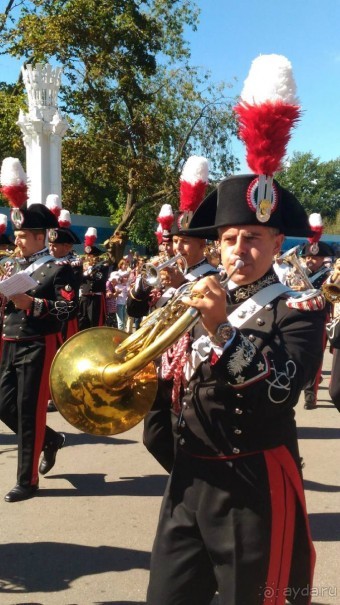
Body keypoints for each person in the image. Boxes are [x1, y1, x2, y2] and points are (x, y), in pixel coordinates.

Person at [146, 171, 327, 605]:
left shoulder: (299, 306)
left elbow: (279, 389)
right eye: (229, 239)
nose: (239, 250)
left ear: (277, 243)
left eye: (253, 238)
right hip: (189, 478)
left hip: (253, 486)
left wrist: (222, 330)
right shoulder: (197, 296)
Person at [0, 203, 78, 502]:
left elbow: (68, 308)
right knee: (4, 405)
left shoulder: (60, 268)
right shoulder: (15, 266)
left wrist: (32, 304)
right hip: (10, 341)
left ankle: (27, 481)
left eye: (21, 236)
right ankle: (52, 439)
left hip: (37, 344)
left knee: (30, 412)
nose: (16, 241)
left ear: (38, 237)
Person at [299, 237, 334, 409]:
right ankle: (313, 378)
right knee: (303, 356)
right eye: (307, 258)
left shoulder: (329, 277)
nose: (309, 261)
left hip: (320, 318)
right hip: (300, 318)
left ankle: (310, 396)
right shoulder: (300, 274)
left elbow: (330, 298)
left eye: (313, 258)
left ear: (322, 259)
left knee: (316, 357)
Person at [78, 228, 109, 330]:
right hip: (84, 298)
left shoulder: (103, 266)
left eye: (91, 256)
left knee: (94, 323)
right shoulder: (82, 267)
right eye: (87, 256)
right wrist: (84, 271)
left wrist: (90, 270)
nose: (88, 258)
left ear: (96, 257)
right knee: (82, 322)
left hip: (96, 299)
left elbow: (99, 279)